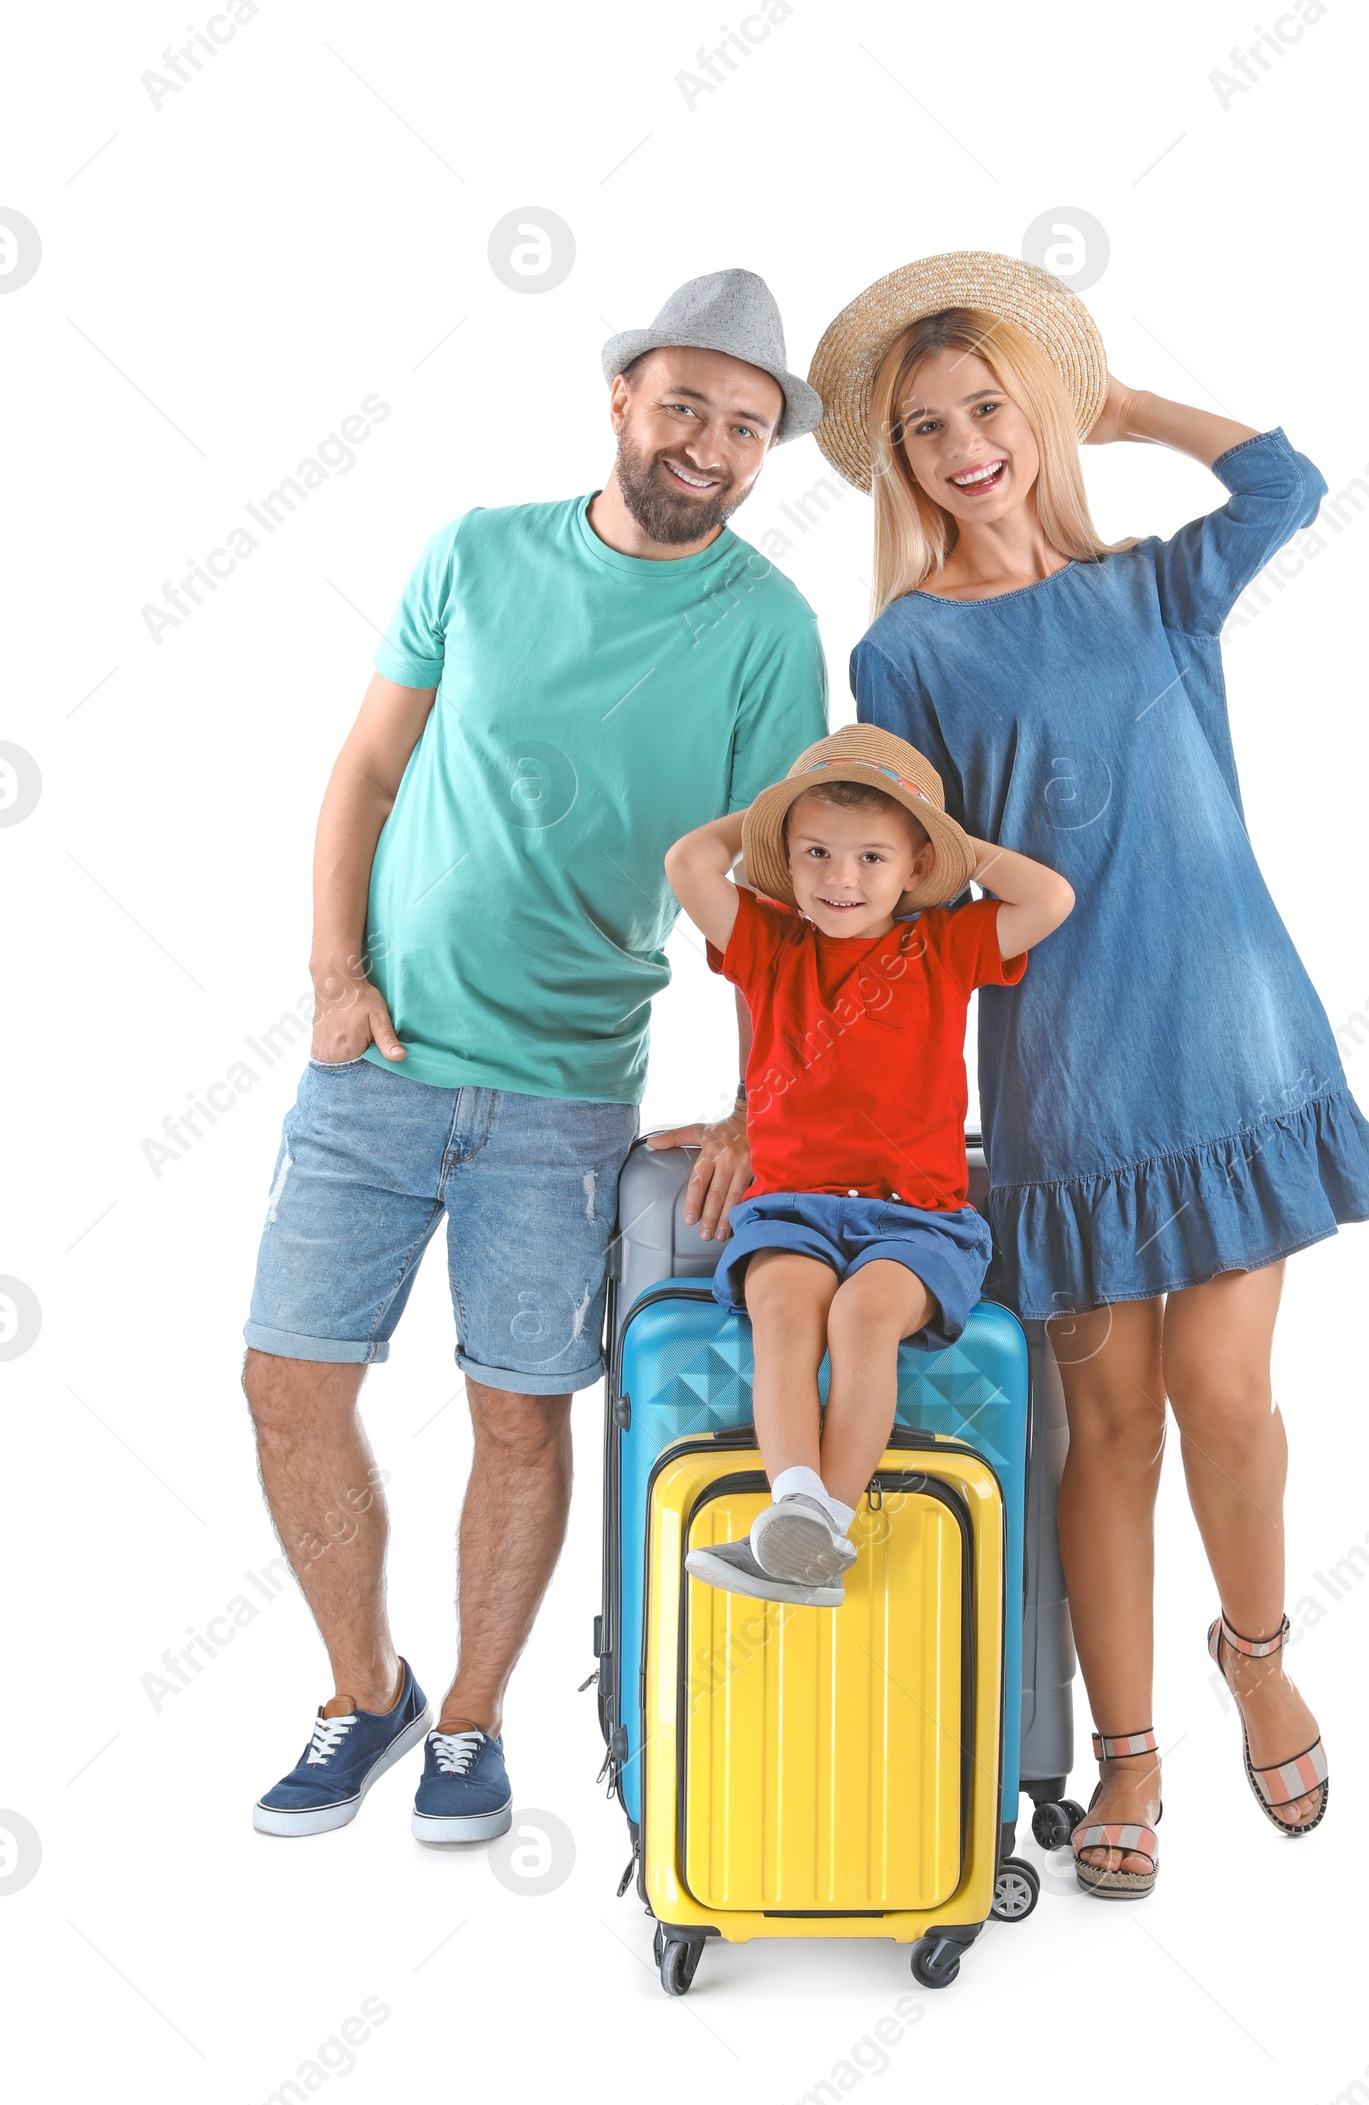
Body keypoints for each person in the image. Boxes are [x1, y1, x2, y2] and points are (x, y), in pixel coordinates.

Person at [808, 253, 1369, 1893]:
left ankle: (1259, 1650)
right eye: (925, 429)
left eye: (987, 406)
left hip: (1230, 1042)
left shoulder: (1154, 587)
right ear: (902, 465)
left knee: (1225, 1396)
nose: (962, 446)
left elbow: (1288, 479)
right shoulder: (906, 656)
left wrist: (1118, 405)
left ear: (1034, 415)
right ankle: (1128, 1766)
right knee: (1109, 1426)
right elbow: (893, 898)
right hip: (1067, 1068)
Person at [244, 269, 827, 1842]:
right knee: (287, 1385)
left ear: (769, 452)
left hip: (569, 1094)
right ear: (625, 400)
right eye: (687, 404)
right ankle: (366, 1692)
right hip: (376, 1062)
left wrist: (765, 1103)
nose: (710, 442)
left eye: (748, 425)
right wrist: (331, 976)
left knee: (519, 1409)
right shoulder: (478, 551)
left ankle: (473, 1724)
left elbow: (779, 892)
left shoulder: (767, 627)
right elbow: (368, 768)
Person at [665, 723, 1074, 1606]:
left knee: (861, 1317)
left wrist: (954, 847)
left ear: (917, 865)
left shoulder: (945, 946)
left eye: (871, 858)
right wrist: (768, 823)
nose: (839, 879)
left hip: (918, 1219)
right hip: (795, 1209)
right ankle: (798, 1510)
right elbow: (690, 864)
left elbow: (1049, 899)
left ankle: (820, 1535)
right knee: (781, 1312)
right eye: (813, 853)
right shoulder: (772, 943)